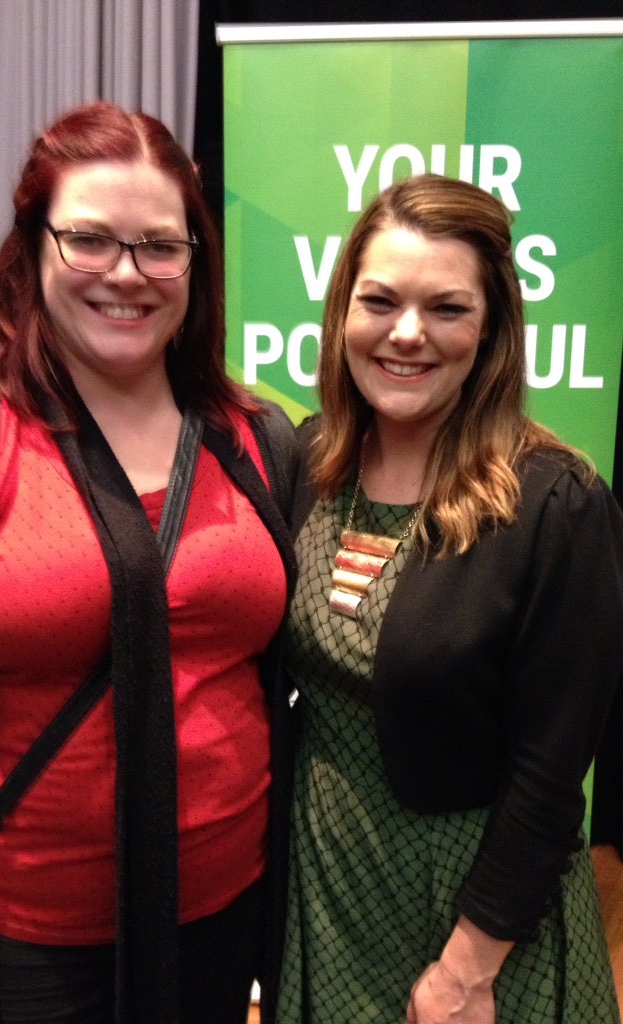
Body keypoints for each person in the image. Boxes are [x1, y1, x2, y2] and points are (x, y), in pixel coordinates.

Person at [0, 101, 298, 1024]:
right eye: (89, 239)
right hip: (28, 953)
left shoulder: (259, 439)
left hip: (229, 921)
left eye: (160, 247)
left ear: (196, 260)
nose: (126, 274)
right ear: (33, 246)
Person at [277, 174, 623, 1023]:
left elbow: (551, 774)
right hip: (326, 887)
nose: (407, 333)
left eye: (447, 308)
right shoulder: (309, 463)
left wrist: (469, 969)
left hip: (475, 917)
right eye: (380, 301)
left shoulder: (553, 503)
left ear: (492, 327)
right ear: (343, 311)